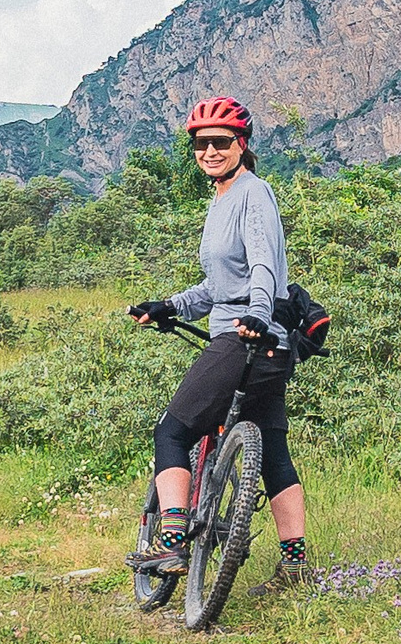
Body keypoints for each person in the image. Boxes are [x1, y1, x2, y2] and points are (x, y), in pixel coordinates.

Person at [124, 96, 311, 593]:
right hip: (266, 343)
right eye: (201, 143)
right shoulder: (220, 201)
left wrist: (256, 311)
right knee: (272, 451)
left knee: (173, 432)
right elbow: (215, 287)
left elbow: (263, 264)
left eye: (220, 142)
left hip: (245, 336)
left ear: (241, 145)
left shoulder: (252, 193)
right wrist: (169, 306)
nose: (209, 151)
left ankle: (172, 540)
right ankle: (294, 565)